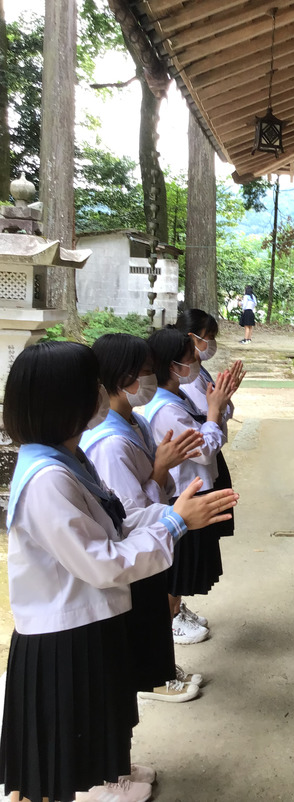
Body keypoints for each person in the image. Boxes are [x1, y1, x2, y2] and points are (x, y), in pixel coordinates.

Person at [0, 341, 237, 802]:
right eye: (91, 386)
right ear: (64, 400)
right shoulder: (48, 479)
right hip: (62, 633)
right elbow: (103, 562)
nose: (101, 394)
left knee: (94, 718)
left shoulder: (66, 457)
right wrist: (172, 521)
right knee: (55, 751)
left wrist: (173, 515)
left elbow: (114, 523)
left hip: (87, 619)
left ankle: (110, 773)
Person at [81, 333, 206, 704]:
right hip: (138, 544)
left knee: (155, 609)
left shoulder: (132, 422)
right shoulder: (110, 442)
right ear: (123, 379)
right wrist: (162, 475)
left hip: (153, 533)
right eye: (147, 373)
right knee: (146, 614)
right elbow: (129, 511)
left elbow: (151, 485)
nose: (151, 381)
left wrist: (161, 471)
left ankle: (162, 672)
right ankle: (154, 680)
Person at [145, 327, 235, 644]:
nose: (196, 359)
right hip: (179, 496)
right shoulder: (165, 409)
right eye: (189, 356)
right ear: (171, 365)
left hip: (190, 490)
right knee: (175, 571)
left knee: (183, 570)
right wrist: (214, 409)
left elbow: (211, 433)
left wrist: (218, 406)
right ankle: (167, 630)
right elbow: (205, 450)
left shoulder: (176, 395)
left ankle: (176, 612)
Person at [176, 309, 245, 543]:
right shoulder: (185, 381)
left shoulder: (199, 371)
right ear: (192, 338)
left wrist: (224, 399)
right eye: (208, 337)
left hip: (213, 456)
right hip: (195, 473)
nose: (211, 343)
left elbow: (221, 411)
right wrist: (218, 407)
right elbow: (208, 418)